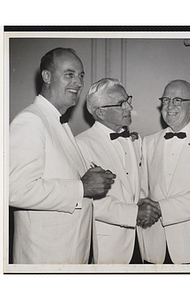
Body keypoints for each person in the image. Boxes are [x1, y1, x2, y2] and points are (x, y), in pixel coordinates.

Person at [9, 48, 116, 264]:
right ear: (47, 76)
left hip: (72, 255)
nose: (78, 82)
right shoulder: (31, 120)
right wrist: (82, 188)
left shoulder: (59, 122)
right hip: (43, 259)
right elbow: (15, 190)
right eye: (69, 74)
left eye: (81, 75)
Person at [76, 78, 160, 264]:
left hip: (142, 243)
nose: (129, 107)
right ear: (100, 112)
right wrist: (134, 214)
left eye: (128, 100)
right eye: (121, 103)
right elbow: (88, 201)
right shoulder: (81, 145)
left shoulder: (135, 140)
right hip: (108, 248)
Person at [139, 79, 190, 264]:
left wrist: (161, 208)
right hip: (153, 246)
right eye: (166, 100)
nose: (170, 106)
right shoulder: (148, 142)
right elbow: (143, 188)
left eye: (177, 100)